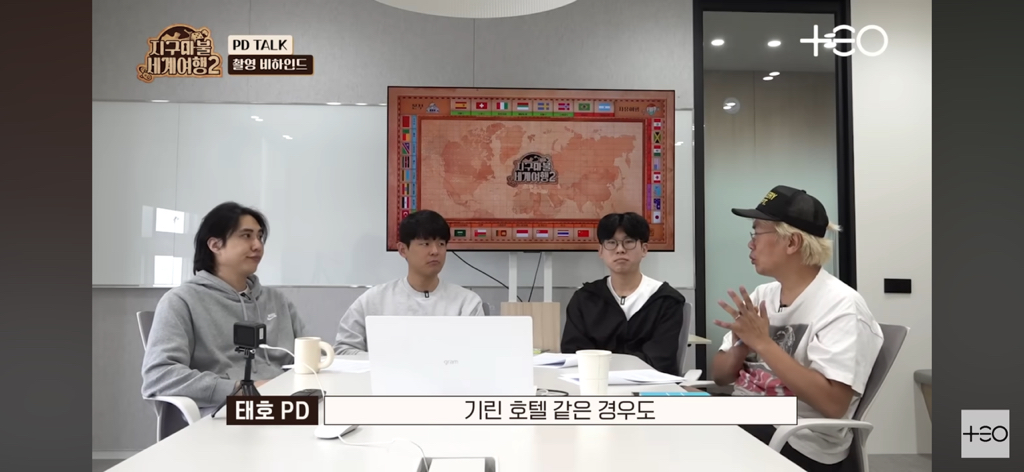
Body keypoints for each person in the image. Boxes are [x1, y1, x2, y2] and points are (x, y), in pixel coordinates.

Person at [711, 185, 884, 471]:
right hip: (745, 413)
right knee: (658, 416)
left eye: (756, 233)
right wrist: (743, 343)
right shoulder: (762, 296)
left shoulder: (842, 306)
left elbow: (833, 404)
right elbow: (720, 376)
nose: (750, 245)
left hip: (798, 437)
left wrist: (764, 343)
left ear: (792, 242)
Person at [141, 202, 309, 417]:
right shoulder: (181, 301)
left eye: (259, 237)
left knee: (340, 414)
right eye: (246, 236)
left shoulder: (277, 301)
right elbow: (159, 375)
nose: (257, 245)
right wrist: (240, 390)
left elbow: (308, 358)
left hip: (285, 402)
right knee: (321, 422)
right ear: (215, 245)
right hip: (227, 410)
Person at [333, 210, 484, 354]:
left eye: (441, 244)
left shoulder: (466, 302)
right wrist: (382, 362)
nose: (435, 251)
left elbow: (479, 353)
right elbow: (344, 349)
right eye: (425, 244)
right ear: (403, 250)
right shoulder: (374, 300)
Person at [560, 212, 687, 375]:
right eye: (611, 243)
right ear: (601, 251)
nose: (620, 250)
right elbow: (574, 354)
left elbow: (660, 360)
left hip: (648, 386)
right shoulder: (585, 299)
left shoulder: (666, 300)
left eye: (629, 242)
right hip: (594, 384)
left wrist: (606, 365)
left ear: (644, 249)